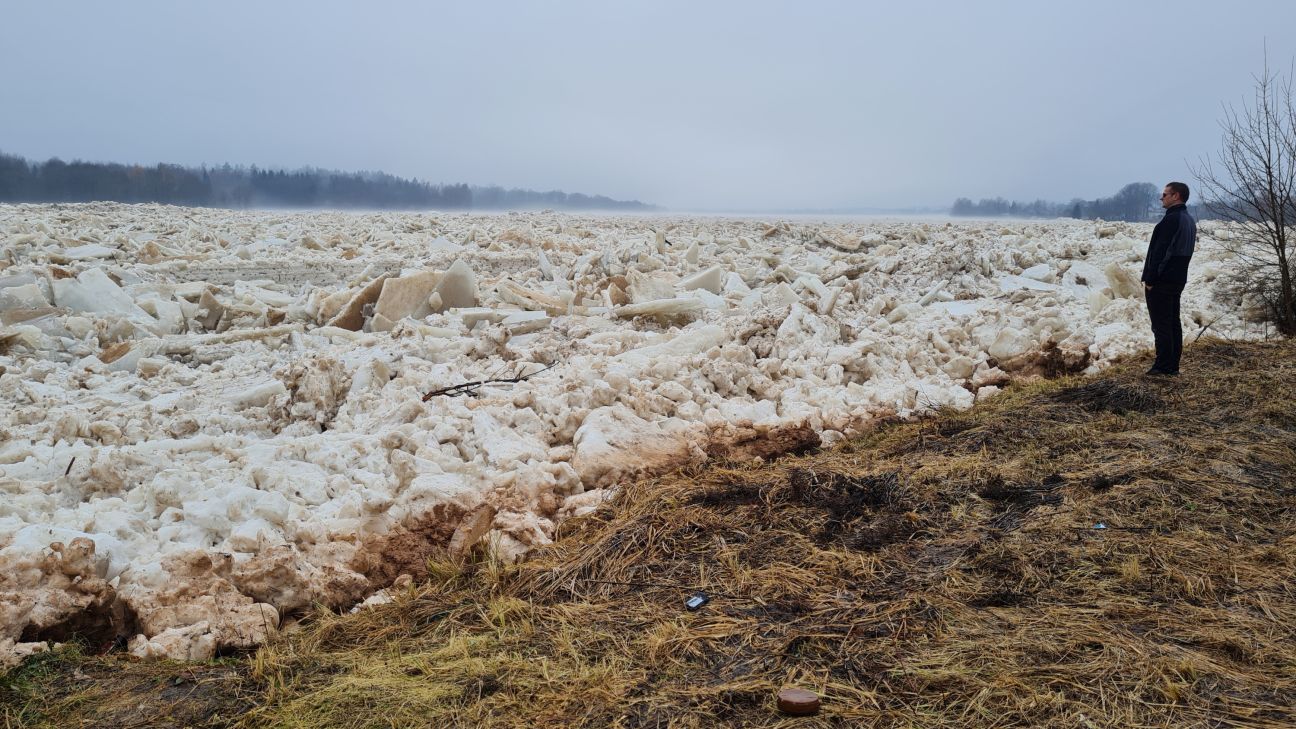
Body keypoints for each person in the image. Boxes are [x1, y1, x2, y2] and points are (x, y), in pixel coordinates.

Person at [1141, 181, 1196, 376]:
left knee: (1161, 324)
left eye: (1165, 194)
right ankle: (1172, 365)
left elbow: (1161, 252)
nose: (1161, 198)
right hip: (1177, 279)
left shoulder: (1171, 220)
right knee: (1173, 322)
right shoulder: (1188, 219)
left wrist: (1151, 279)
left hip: (1163, 281)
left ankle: (1162, 366)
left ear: (1176, 196)